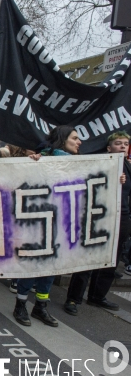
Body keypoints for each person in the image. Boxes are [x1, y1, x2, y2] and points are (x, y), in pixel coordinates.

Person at [13, 125, 81, 328]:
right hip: (39, 221)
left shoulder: (80, 164)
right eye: (75, 138)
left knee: (51, 266)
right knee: (33, 263)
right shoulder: (41, 159)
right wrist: (31, 164)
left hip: (62, 221)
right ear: (63, 139)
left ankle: (41, 305)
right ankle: (21, 305)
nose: (79, 142)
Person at [63, 131, 130, 316]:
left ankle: (97, 295)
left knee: (112, 259)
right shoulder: (101, 163)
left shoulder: (128, 166)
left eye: (125, 143)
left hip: (122, 216)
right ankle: (73, 298)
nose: (123, 146)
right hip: (100, 214)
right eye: (118, 143)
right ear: (109, 148)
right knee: (88, 256)